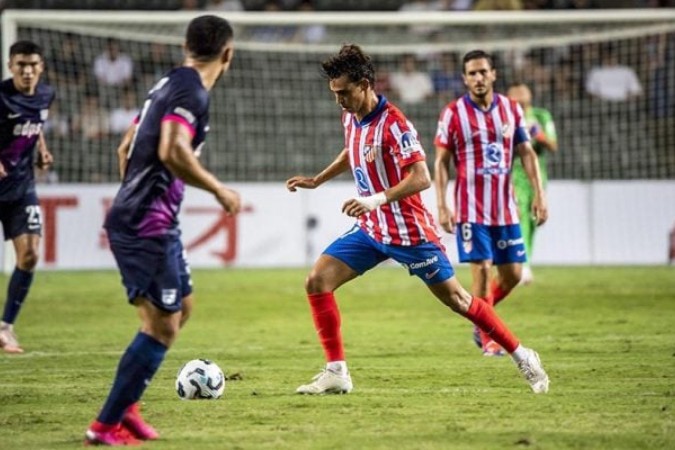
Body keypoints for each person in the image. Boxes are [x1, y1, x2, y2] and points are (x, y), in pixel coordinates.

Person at [286, 44, 549, 397]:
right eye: (334, 94)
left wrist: (375, 198)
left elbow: (422, 176)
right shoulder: (350, 116)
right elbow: (353, 148)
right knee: (317, 281)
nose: (339, 101)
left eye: (344, 92)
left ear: (365, 84)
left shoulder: (395, 123)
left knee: (459, 301)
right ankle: (337, 372)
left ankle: (522, 355)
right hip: (372, 229)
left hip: (410, 233)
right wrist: (318, 179)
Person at [84, 15, 241, 446]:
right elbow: (171, 149)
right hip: (146, 223)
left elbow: (125, 146)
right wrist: (218, 190)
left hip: (152, 221)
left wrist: (134, 197)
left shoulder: (168, 83)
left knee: (182, 308)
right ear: (228, 54)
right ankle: (104, 426)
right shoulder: (192, 92)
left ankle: (127, 406)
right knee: (162, 327)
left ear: (186, 47)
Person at [434, 50, 548, 356]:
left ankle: (479, 316)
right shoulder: (453, 113)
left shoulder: (511, 110)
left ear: (493, 74)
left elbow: (527, 152)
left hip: (506, 209)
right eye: (472, 73)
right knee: (482, 271)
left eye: (483, 72)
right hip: (471, 211)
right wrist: (442, 205)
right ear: (464, 79)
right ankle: (489, 340)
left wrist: (539, 193)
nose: (478, 78)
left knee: (512, 275)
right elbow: (441, 162)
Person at [0, 41, 55, 354]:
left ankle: (6, 327)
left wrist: (42, 148)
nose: (27, 70)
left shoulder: (46, 94)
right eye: (21, 64)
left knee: (31, 254)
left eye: (33, 64)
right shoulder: (1, 96)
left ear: (41, 67)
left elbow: (36, 123)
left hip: (21, 188)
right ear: (11, 66)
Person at [507, 82, 557, 284]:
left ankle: (523, 263)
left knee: (533, 220)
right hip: (513, 175)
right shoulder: (505, 117)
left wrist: (536, 133)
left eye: (522, 91)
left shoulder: (541, 116)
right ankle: (521, 266)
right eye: (514, 92)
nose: (519, 95)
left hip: (537, 176)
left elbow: (553, 145)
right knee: (520, 220)